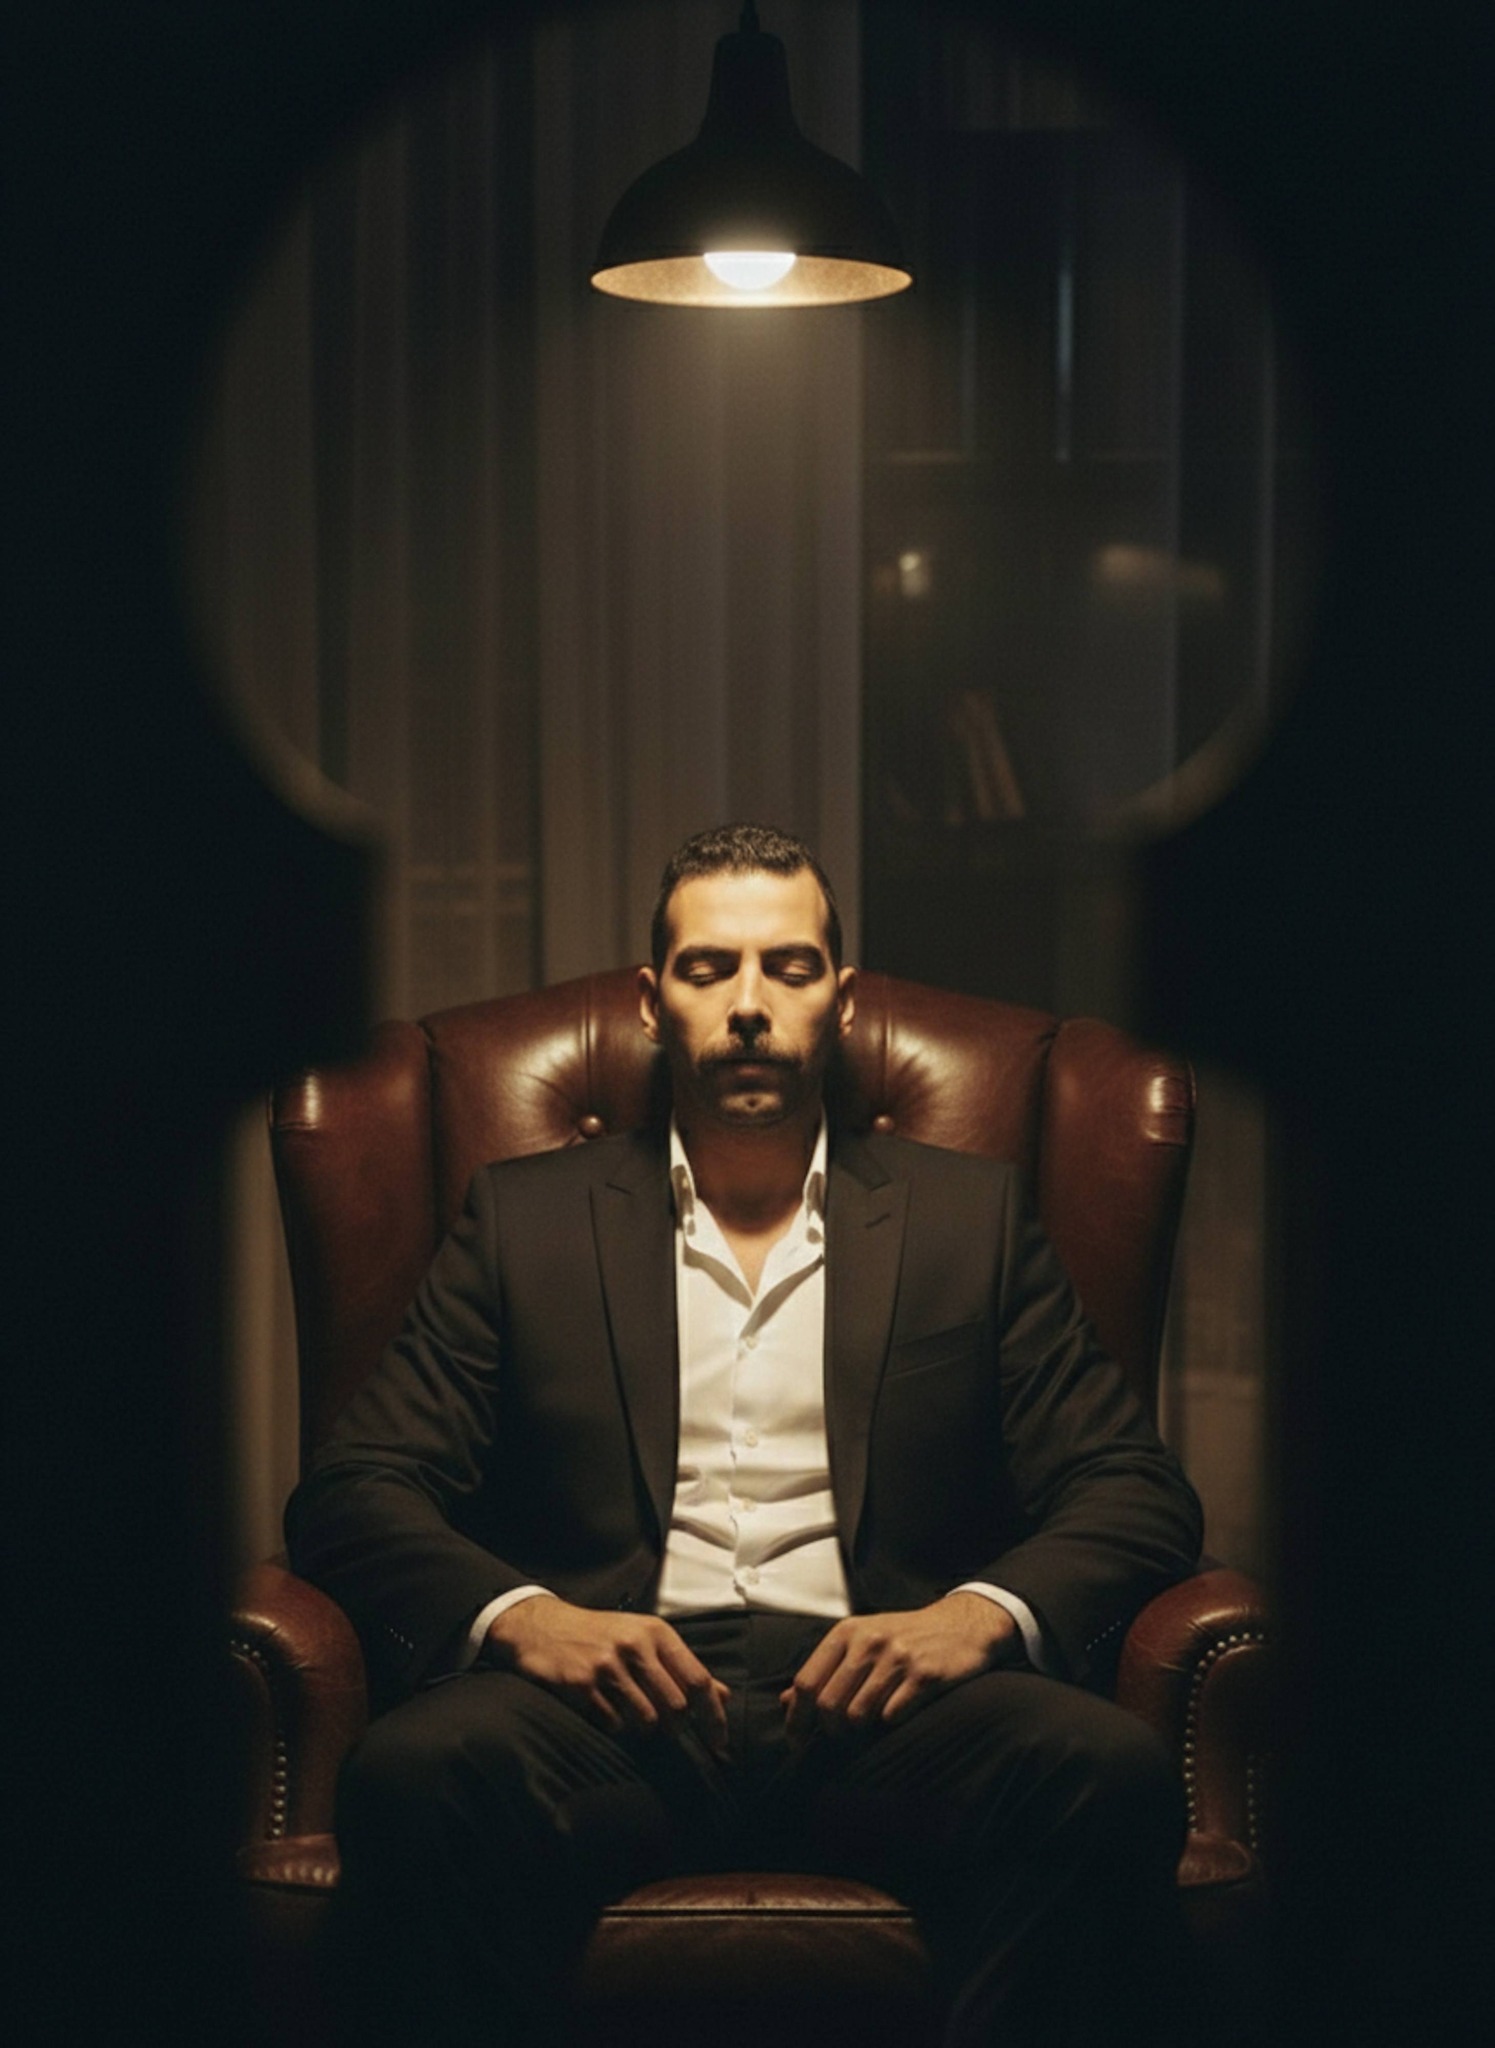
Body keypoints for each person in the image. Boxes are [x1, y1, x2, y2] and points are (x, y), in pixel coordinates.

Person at [286, 822, 1203, 2047]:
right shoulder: (525, 1221)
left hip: (885, 1706)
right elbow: (356, 1484)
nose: (752, 1005)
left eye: (790, 965)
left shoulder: (965, 1220)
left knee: (1110, 1770)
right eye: (711, 967)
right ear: (652, 998)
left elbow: (1130, 1485)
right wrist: (524, 1617)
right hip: (611, 1712)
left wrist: (975, 1613)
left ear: (843, 997)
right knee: (410, 1773)